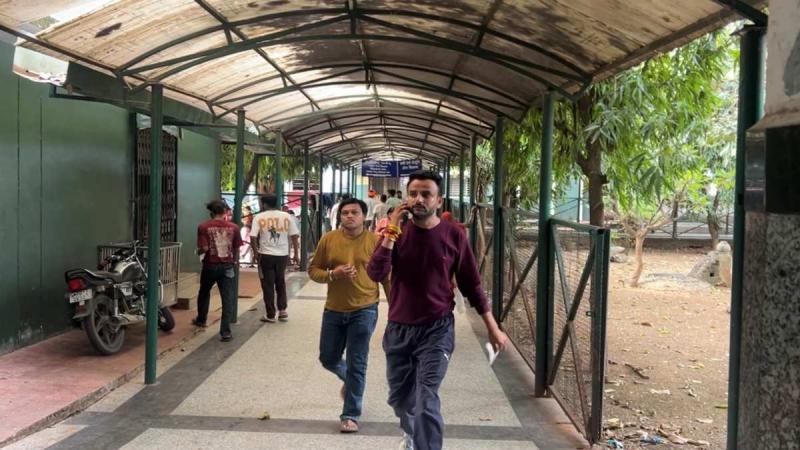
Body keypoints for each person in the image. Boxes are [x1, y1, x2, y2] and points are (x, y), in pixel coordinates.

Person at [367, 171, 509, 450]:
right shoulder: (396, 233)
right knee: (400, 400)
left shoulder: (453, 235)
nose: (418, 199)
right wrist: (392, 230)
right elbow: (375, 273)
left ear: (439, 200)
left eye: (426, 194)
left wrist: (493, 328)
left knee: (426, 397)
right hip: (399, 328)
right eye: (413, 194)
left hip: (437, 329)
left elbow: (472, 285)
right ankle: (411, 434)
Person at [308, 198, 390, 434]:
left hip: (365, 308)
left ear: (364, 216)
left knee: (357, 362)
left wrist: (395, 310)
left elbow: (386, 276)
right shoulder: (329, 239)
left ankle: (350, 415)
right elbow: (313, 270)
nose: (349, 216)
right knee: (328, 358)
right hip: (334, 308)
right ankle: (350, 380)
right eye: (345, 213)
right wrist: (333, 274)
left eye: (355, 212)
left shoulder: (375, 241)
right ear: (339, 216)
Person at [194, 200, 242, 342]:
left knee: (204, 292)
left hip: (210, 266)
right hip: (227, 266)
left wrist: (198, 252)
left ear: (211, 213)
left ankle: (201, 319)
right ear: (225, 212)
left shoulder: (203, 227)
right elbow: (237, 248)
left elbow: (204, 248)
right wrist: (234, 262)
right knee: (227, 299)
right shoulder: (234, 227)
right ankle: (225, 332)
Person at [251, 194, 300, 323]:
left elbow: (253, 236)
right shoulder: (286, 216)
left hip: (265, 255)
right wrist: (296, 254)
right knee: (280, 281)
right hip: (282, 255)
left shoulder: (259, 217)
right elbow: (295, 236)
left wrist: (255, 253)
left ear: (264, 204)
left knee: (267, 285)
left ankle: (270, 314)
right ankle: (282, 310)